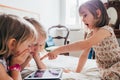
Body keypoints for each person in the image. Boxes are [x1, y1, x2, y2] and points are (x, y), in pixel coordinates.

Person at [47, 0, 120, 80]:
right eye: (81, 16)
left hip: (116, 64)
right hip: (105, 69)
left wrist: (59, 49)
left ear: (98, 13)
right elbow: (84, 55)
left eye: (85, 15)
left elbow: (85, 44)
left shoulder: (106, 30)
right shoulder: (90, 35)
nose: (82, 19)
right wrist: (77, 72)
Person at [0, 14, 38, 80]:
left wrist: (27, 59)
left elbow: (19, 71)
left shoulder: (7, 57)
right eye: (28, 45)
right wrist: (14, 65)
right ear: (12, 44)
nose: (30, 49)